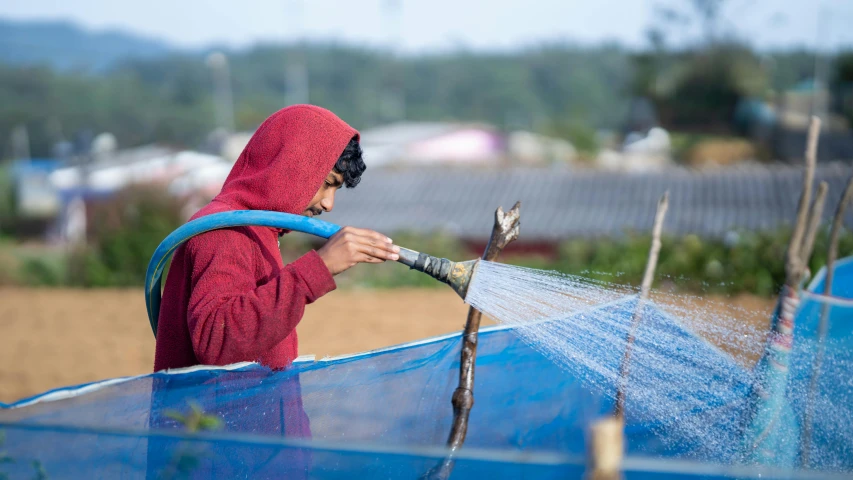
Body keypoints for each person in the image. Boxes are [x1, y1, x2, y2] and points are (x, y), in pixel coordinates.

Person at [153, 105, 399, 372]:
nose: (329, 204)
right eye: (326, 184)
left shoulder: (258, 229)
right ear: (291, 165)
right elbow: (217, 341)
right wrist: (319, 269)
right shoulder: (226, 231)